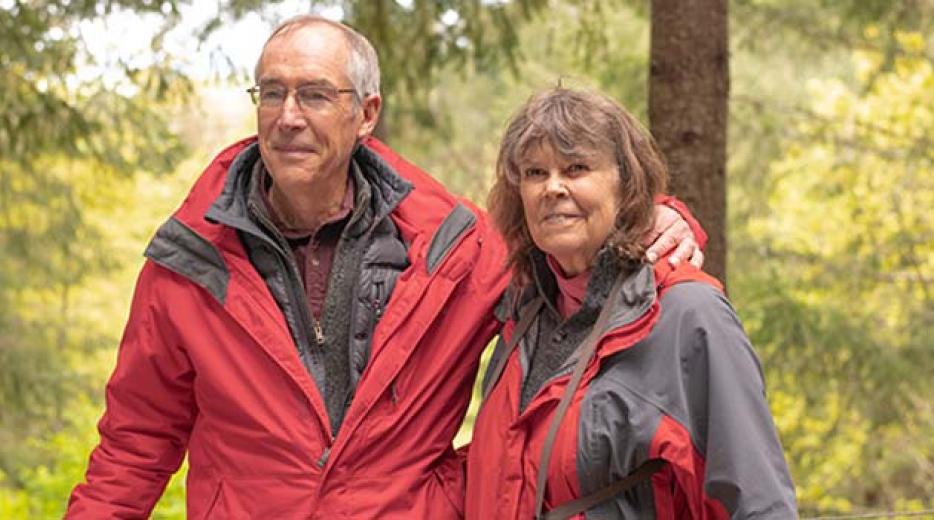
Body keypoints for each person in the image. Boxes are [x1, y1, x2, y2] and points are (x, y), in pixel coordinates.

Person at [67, 16, 703, 519]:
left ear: (366, 114)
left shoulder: (455, 249)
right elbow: (135, 444)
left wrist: (663, 219)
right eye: (273, 93)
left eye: (315, 95)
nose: (289, 116)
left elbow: (574, 257)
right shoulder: (190, 264)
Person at [465, 88, 797, 519]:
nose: (553, 188)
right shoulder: (524, 314)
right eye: (534, 172)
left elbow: (761, 503)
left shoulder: (688, 314)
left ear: (626, 183)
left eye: (576, 168)